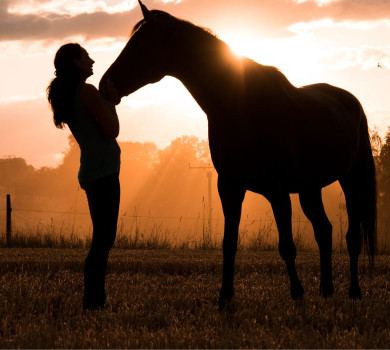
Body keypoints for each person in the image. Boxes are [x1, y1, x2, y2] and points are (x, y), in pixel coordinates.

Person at [47, 43, 121, 310]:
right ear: (76, 63)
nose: (92, 60)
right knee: (104, 239)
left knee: (103, 238)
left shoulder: (73, 94)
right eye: (85, 56)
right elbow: (112, 130)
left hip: (93, 171)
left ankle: (94, 299)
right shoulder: (87, 92)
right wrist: (112, 102)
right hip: (103, 172)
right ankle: (93, 300)